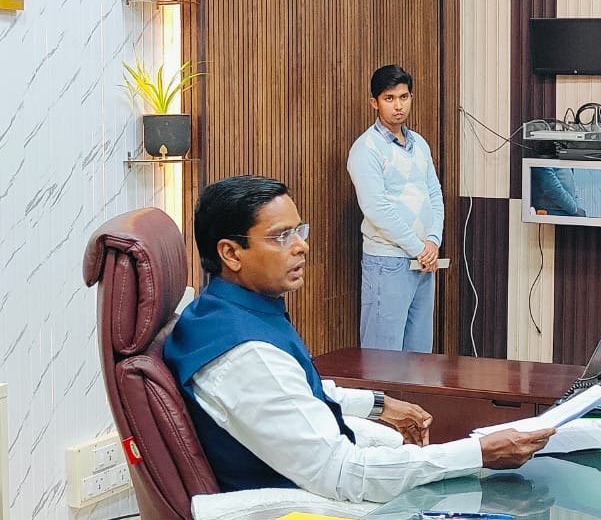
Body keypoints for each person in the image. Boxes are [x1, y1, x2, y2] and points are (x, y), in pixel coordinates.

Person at [164, 175, 554, 501]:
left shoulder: (217, 312)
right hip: (295, 516)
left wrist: (378, 404)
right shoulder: (246, 354)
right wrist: (477, 453)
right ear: (231, 253)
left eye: (299, 231)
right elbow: (343, 475)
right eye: (281, 237)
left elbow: (296, 391)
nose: (302, 246)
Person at [347, 65, 442, 353]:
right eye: (389, 98)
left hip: (424, 261)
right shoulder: (366, 148)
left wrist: (433, 240)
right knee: (383, 357)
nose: (398, 106)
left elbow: (434, 193)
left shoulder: (419, 143)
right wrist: (419, 248)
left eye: (404, 97)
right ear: (374, 102)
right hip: (387, 261)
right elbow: (376, 208)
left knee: (420, 354)